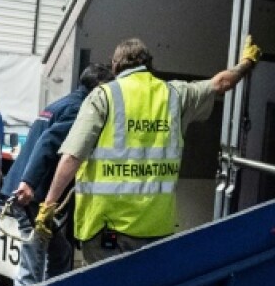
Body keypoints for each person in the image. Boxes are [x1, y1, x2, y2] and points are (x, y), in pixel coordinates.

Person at [35, 36, 262, 263]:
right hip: (155, 229)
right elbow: (222, 83)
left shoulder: (103, 96)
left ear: (115, 65)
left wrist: (48, 205)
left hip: (108, 227)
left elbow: (72, 156)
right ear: (149, 63)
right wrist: (246, 63)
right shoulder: (175, 95)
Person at [0, 63, 114, 286]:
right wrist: (30, 183)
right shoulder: (79, 109)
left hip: (28, 193)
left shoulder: (60, 104)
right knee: (29, 275)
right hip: (33, 197)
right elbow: (48, 142)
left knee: (60, 254)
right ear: (100, 88)